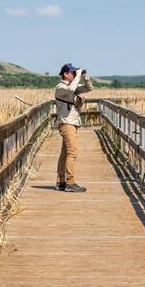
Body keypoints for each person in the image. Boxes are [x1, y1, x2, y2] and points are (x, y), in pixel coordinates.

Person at [55, 63, 93, 192]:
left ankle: (61, 182)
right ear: (66, 74)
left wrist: (84, 77)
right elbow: (71, 90)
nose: (74, 74)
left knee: (65, 152)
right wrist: (77, 76)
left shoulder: (73, 86)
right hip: (67, 123)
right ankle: (70, 183)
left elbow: (89, 88)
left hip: (71, 122)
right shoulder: (60, 87)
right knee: (72, 152)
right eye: (72, 72)